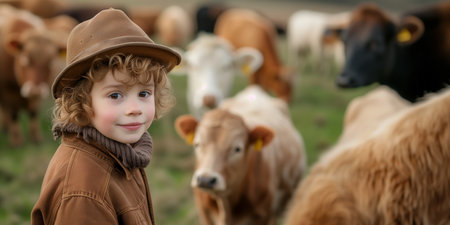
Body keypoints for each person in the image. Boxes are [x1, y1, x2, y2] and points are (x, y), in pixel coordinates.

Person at [31, 8, 181, 225]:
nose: (134, 108)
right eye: (115, 95)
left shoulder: (123, 150)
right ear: (81, 101)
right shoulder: (83, 192)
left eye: (144, 93)